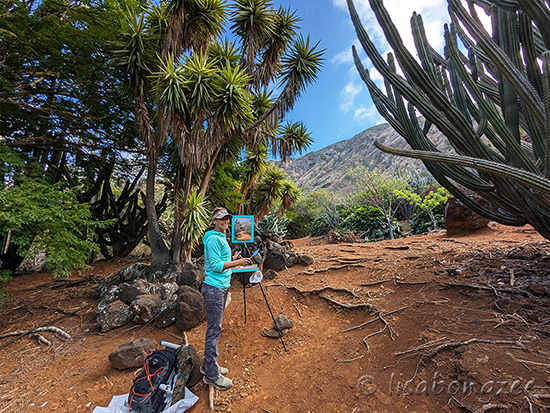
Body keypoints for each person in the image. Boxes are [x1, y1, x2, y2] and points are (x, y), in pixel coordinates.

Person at [201, 207, 250, 390]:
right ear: (214, 221)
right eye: (221, 219)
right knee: (214, 330)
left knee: (215, 328)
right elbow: (214, 266)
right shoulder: (214, 238)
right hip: (214, 288)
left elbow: (221, 260)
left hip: (219, 287)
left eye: (227, 219)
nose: (225, 222)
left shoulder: (220, 237)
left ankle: (209, 366)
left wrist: (233, 258)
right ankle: (212, 375)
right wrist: (237, 262)